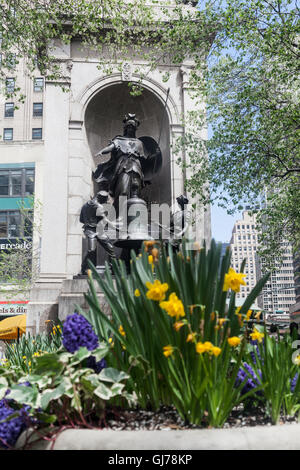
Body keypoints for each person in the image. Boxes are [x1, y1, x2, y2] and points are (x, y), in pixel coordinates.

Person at [93, 113, 161, 218]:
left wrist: (154, 156)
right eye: (129, 126)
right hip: (123, 166)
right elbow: (111, 147)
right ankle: (119, 216)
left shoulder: (139, 143)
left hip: (137, 168)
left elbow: (143, 159)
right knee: (123, 191)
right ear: (125, 128)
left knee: (136, 193)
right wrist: (102, 151)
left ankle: (133, 219)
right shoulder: (119, 139)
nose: (131, 128)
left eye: (133, 127)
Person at [80, 191, 117, 274]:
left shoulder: (85, 206)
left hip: (91, 230)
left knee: (92, 250)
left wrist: (90, 221)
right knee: (107, 248)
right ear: (101, 198)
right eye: (106, 200)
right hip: (95, 231)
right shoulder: (99, 206)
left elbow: (81, 220)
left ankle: (86, 269)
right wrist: (116, 228)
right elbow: (105, 220)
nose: (107, 202)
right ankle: (85, 269)